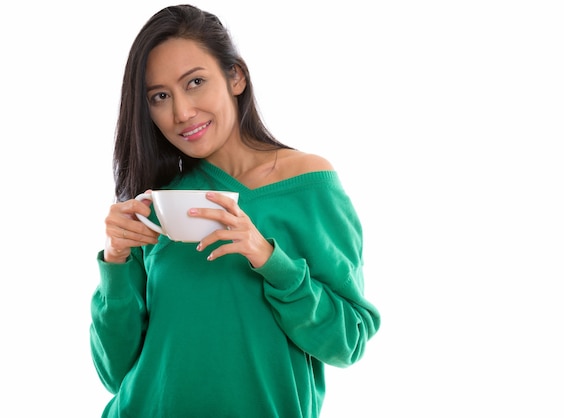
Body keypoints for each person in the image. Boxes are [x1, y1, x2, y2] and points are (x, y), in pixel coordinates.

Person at [89, 4, 381, 417]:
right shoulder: (159, 202)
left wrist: (268, 258)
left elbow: (347, 342)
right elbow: (114, 371)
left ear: (236, 77)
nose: (181, 113)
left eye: (195, 82)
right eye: (160, 96)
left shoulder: (308, 183)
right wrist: (115, 262)